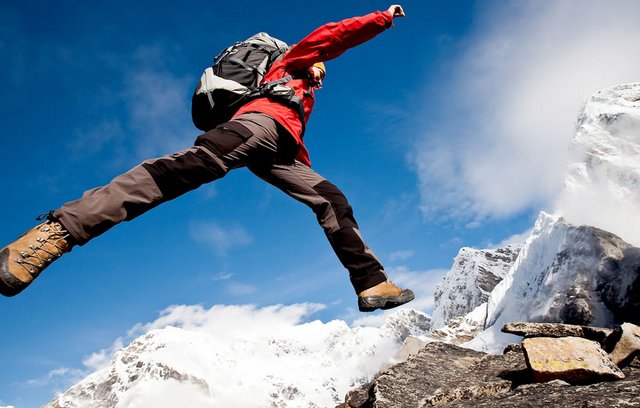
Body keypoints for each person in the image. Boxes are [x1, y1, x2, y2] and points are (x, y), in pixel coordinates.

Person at [0, 5, 415, 312]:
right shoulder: (293, 62)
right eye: (320, 68)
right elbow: (332, 35)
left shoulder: (299, 99)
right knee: (177, 171)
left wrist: (300, 160)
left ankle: (372, 283)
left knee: (331, 199)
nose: (323, 74)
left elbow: (287, 131)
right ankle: (54, 234)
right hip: (255, 127)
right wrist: (382, 17)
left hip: (281, 151)